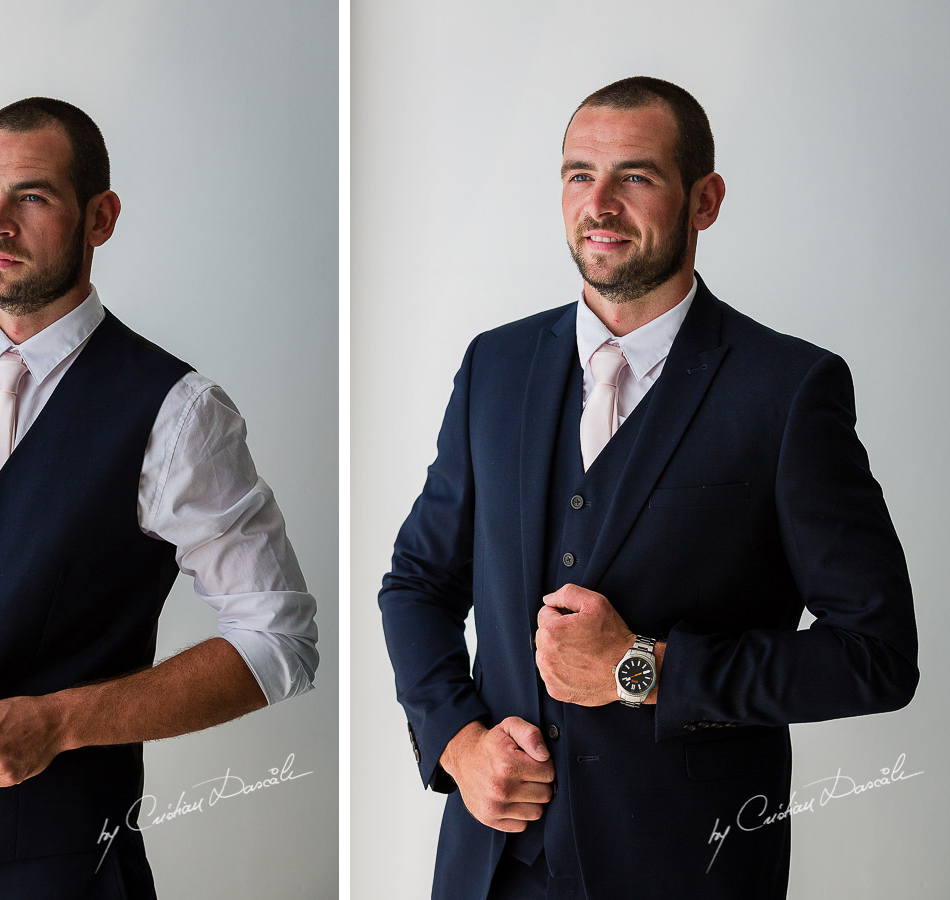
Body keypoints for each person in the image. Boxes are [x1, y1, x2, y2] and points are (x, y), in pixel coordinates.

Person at [378, 76, 918, 899]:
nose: (598, 203)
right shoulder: (495, 366)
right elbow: (417, 581)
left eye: (634, 176)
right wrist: (455, 741)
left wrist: (641, 668)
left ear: (704, 200)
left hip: (688, 870)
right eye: (576, 174)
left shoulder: (787, 389)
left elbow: (875, 656)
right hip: (490, 867)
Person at [0, 97, 318, 899]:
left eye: (30, 197)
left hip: (63, 868)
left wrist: (62, 723)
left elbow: (277, 641)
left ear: (99, 217)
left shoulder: (176, 412)